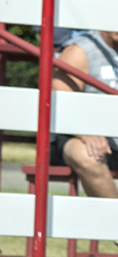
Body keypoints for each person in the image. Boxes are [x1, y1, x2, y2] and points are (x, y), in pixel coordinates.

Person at [52, 26, 118, 198]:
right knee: (87, 155)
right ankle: (112, 220)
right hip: (79, 136)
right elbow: (59, 102)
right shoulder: (81, 50)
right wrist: (85, 132)